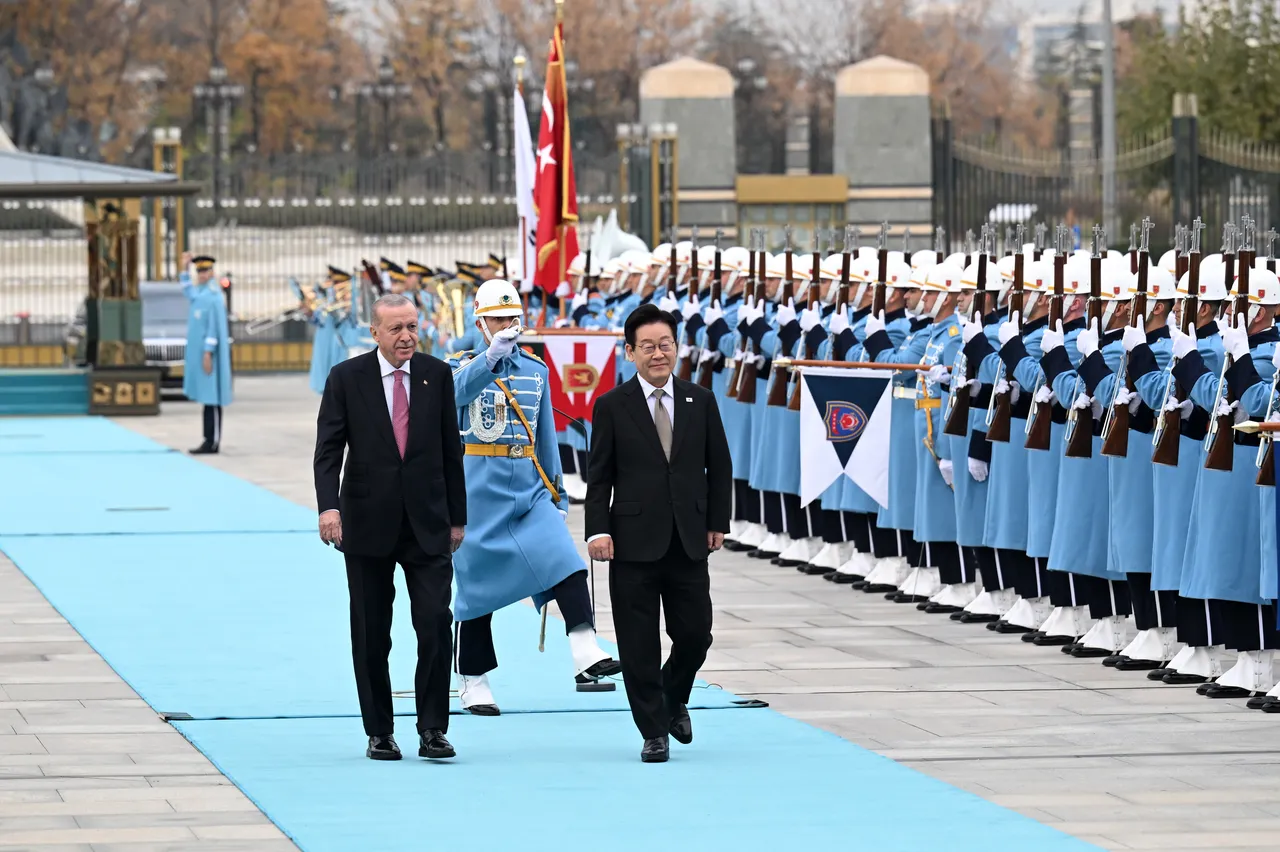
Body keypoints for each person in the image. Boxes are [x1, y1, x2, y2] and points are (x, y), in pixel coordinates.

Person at [446, 278, 620, 715]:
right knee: (475, 591)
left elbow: (545, 438)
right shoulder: (458, 367)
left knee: (564, 559)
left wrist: (557, 495)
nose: (506, 325)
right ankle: (472, 679)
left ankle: (584, 648)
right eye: (496, 319)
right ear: (480, 324)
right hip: (476, 493)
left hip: (527, 490)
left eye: (511, 318)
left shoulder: (536, 370)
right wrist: (490, 359)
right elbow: (452, 397)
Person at [313, 292, 466, 762]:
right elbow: (328, 450)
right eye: (396, 328)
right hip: (366, 522)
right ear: (375, 332)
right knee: (371, 631)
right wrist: (329, 508)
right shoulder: (346, 378)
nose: (406, 336)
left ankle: (433, 728)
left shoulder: (436, 375)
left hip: (428, 523)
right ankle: (379, 730)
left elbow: (451, 449)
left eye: (412, 327)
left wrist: (457, 517)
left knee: (435, 623)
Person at [584, 302, 733, 763]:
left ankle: (672, 696)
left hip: (689, 538)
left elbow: (719, 465)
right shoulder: (611, 405)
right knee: (638, 643)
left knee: (696, 634)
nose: (657, 354)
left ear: (677, 348)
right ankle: (653, 731)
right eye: (646, 346)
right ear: (630, 352)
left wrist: (717, 521)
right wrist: (597, 531)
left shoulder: (700, 400)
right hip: (631, 541)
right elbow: (599, 476)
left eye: (665, 344)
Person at [180, 252, 232, 454]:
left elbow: (213, 328)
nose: (202, 274)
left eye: (205, 271)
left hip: (210, 356)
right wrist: (184, 268)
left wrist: (208, 352)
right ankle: (207, 439)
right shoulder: (200, 293)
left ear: (212, 272)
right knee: (206, 398)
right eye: (199, 271)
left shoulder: (213, 296)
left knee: (212, 397)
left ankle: (213, 441)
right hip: (201, 353)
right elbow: (187, 291)